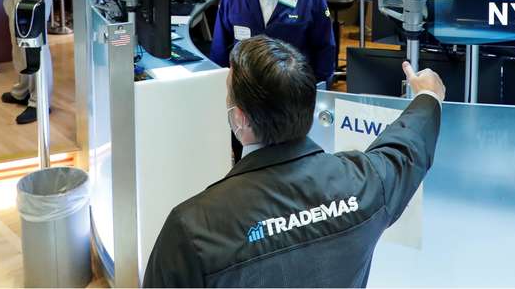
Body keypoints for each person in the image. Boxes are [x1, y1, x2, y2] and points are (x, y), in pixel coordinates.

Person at [144, 35, 444, 288]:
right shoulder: (366, 183)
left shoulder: (192, 228)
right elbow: (407, 147)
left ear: (239, 119)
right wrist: (428, 95)